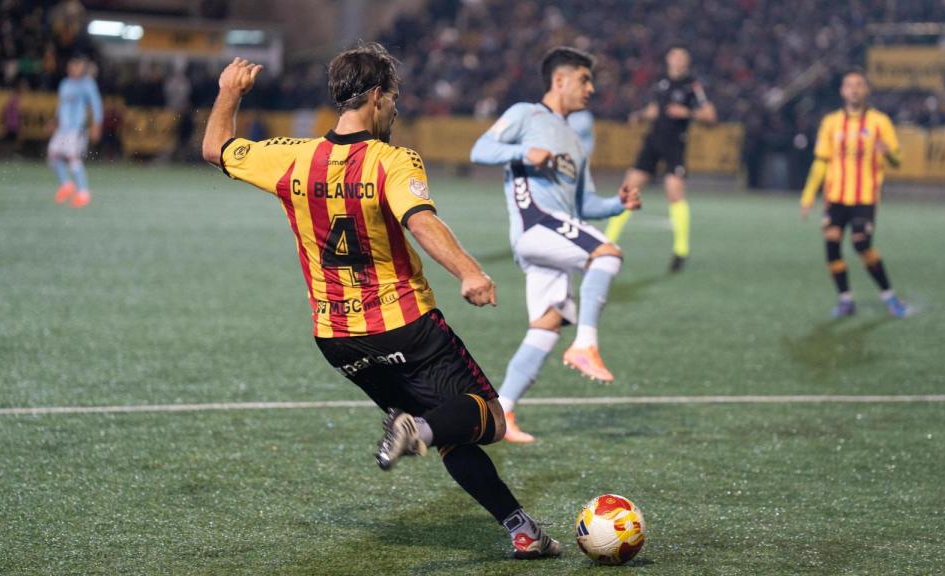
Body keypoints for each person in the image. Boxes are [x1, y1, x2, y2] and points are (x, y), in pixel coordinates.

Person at [200, 43, 561, 560]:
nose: (395, 108)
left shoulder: (290, 157)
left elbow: (216, 147)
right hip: (406, 327)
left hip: (337, 340)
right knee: (489, 418)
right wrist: (470, 272)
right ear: (374, 97)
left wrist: (227, 92)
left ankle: (521, 528)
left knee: (451, 432)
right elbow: (421, 220)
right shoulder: (392, 160)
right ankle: (421, 429)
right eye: (392, 98)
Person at [470, 47, 641, 444]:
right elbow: (480, 150)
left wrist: (619, 204)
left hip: (555, 232)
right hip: (536, 224)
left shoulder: (577, 142)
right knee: (608, 254)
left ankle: (504, 410)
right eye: (584, 79)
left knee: (546, 325)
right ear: (559, 80)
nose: (591, 88)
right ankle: (586, 345)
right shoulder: (525, 115)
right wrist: (522, 152)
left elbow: (584, 206)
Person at [800, 69, 907, 318]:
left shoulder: (880, 122)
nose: (854, 89)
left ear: (866, 90)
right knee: (832, 243)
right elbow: (820, 162)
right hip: (835, 196)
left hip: (864, 197)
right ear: (842, 91)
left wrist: (888, 153)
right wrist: (807, 196)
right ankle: (846, 300)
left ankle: (889, 295)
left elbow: (898, 159)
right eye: (849, 85)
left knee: (861, 244)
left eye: (859, 85)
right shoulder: (831, 123)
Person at [605, 46, 717, 271]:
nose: (677, 60)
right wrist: (641, 115)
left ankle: (680, 251)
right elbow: (656, 110)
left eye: (681, 56)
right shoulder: (661, 83)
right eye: (674, 55)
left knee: (674, 193)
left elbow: (710, 115)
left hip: (675, 144)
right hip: (653, 141)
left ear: (686, 61)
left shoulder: (691, 86)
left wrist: (687, 113)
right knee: (628, 190)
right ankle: (606, 242)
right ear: (668, 59)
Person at [48, 54, 102, 208]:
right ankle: (66, 185)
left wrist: (96, 125)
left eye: (76, 66)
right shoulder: (65, 84)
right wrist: (54, 121)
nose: (73, 69)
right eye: (71, 66)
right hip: (63, 128)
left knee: (73, 158)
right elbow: (61, 105)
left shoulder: (87, 85)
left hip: (77, 128)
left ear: (82, 68)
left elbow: (96, 105)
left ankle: (83, 193)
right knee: (53, 156)